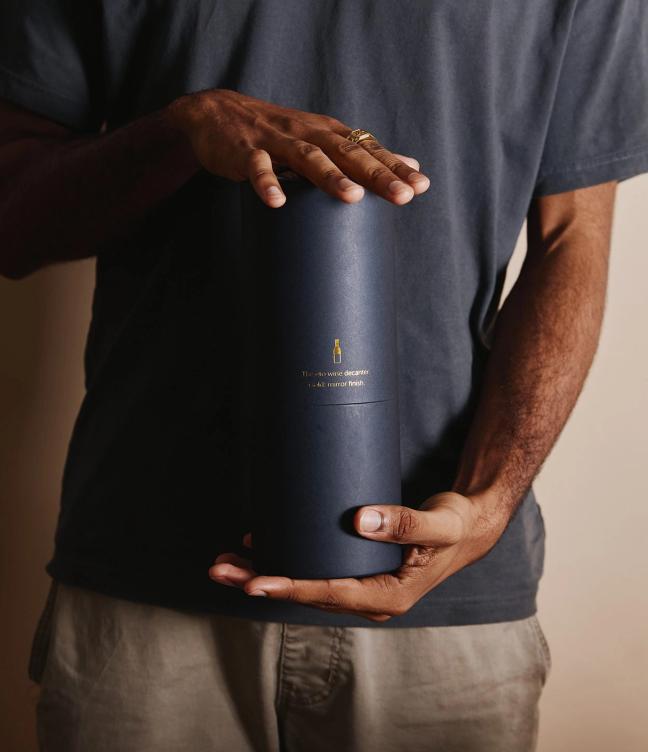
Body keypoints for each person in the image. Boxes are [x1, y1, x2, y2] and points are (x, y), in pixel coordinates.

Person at [1, 1, 647, 750]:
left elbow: (572, 238)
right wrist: (181, 130)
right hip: (146, 584)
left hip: (442, 587)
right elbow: (15, 219)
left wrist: (489, 503)